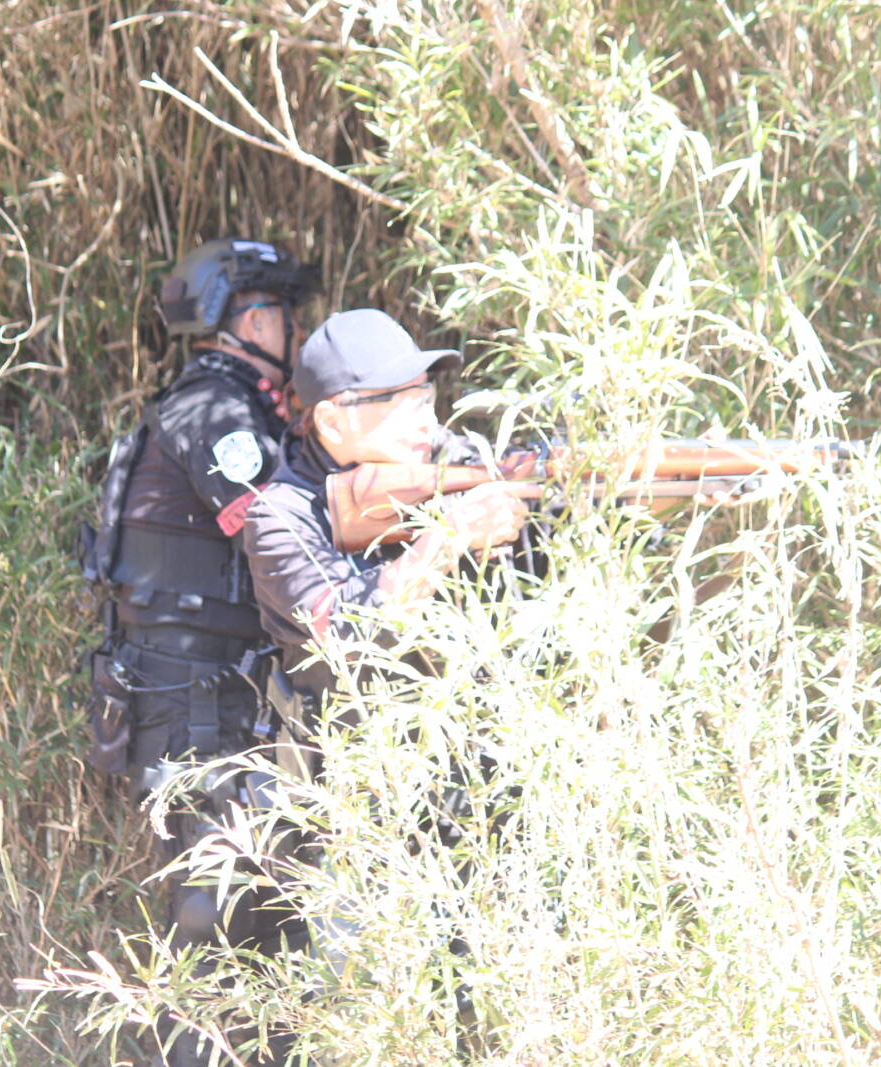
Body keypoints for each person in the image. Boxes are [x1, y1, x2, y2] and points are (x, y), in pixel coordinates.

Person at [77, 238, 320, 1067]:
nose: (295, 332)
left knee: (268, 915)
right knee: (213, 916)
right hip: (194, 704)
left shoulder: (237, 407)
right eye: (287, 315)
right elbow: (277, 523)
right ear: (251, 321)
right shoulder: (212, 412)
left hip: (220, 697)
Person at [242, 308, 533, 704]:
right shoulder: (281, 516)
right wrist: (450, 537)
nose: (427, 421)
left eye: (427, 397)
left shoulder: (444, 458)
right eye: (404, 404)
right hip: (360, 737)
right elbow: (349, 631)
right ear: (331, 421)